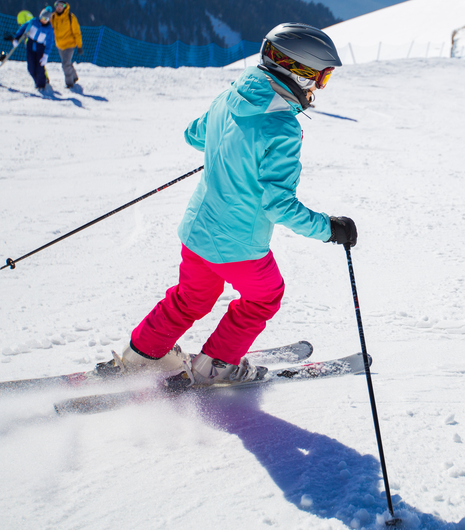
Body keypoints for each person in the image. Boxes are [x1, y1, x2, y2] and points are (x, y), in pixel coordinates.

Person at [104, 23, 357, 387]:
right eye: (322, 77)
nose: (319, 87)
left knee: (189, 298)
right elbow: (278, 204)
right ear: (298, 71)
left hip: (197, 232)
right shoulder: (282, 125)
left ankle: (139, 357)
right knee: (264, 296)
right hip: (239, 245)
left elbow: (195, 134)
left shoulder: (232, 94)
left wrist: (228, 145)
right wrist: (330, 229)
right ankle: (217, 365)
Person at [10, 6, 55, 92]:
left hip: (40, 47)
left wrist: (46, 55)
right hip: (30, 44)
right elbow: (23, 28)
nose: (43, 20)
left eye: (46, 19)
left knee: (40, 67)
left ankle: (41, 85)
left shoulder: (49, 29)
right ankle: (36, 81)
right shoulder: (33, 22)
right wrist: (16, 38)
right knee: (31, 67)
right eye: (42, 17)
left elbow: (49, 43)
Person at [51, 0, 83, 88]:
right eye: (58, 6)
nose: (59, 8)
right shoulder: (53, 17)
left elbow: (77, 32)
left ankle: (69, 83)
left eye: (62, 6)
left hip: (70, 44)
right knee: (67, 63)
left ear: (65, 7)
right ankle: (75, 77)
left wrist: (79, 46)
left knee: (65, 64)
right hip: (60, 45)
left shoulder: (70, 17)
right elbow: (49, 28)